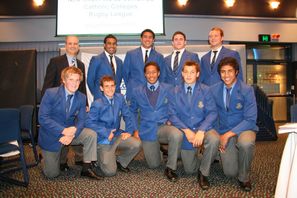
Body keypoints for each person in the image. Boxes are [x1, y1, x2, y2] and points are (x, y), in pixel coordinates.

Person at [38, 67, 102, 180]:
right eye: (71, 79)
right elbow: (43, 118)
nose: (74, 83)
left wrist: (72, 133)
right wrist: (63, 131)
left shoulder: (81, 97)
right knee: (52, 174)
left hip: (70, 133)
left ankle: (87, 168)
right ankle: (44, 158)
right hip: (52, 135)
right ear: (63, 80)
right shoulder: (51, 93)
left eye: (77, 80)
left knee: (91, 134)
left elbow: (82, 120)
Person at [129, 62, 183, 182]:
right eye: (148, 72)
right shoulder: (137, 90)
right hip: (147, 129)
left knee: (176, 134)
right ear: (145, 74)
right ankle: (160, 150)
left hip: (164, 125)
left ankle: (170, 168)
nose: (151, 75)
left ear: (158, 73)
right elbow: (132, 111)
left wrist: (171, 120)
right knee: (154, 165)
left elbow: (175, 107)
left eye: (154, 72)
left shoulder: (169, 88)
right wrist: (135, 130)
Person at [168, 61, 218, 190]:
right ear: (182, 74)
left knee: (214, 139)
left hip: (203, 128)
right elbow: (172, 115)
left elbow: (212, 112)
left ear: (197, 74)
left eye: (192, 72)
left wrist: (201, 130)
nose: (189, 75)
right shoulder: (174, 91)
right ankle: (200, 156)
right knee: (190, 170)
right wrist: (186, 130)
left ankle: (203, 173)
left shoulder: (206, 90)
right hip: (186, 133)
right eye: (186, 72)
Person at [210, 57, 258, 192]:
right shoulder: (214, 90)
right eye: (223, 72)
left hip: (244, 128)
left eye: (230, 71)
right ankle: (233, 157)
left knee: (246, 143)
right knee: (230, 173)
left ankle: (244, 177)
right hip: (224, 129)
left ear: (236, 72)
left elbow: (250, 119)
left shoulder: (246, 90)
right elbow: (211, 114)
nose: (226, 75)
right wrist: (217, 134)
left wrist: (227, 136)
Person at [41, 35, 86, 170]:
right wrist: (47, 103)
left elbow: (81, 87)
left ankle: (78, 159)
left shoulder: (81, 64)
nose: (73, 46)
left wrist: (86, 104)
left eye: (75, 44)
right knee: (62, 130)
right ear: (65, 45)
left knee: (77, 127)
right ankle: (58, 160)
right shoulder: (55, 61)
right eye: (70, 43)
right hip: (57, 108)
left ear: (78, 47)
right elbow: (48, 84)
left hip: (74, 104)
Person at [85, 75, 141, 177]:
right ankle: (98, 157)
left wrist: (129, 131)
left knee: (136, 144)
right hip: (103, 139)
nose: (110, 89)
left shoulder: (119, 98)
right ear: (101, 88)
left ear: (115, 86)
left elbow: (127, 115)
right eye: (106, 86)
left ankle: (120, 161)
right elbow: (89, 122)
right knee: (110, 172)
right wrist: (106, 132)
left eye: (112, 86)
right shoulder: (97, 103)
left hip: (116, 136)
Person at [123, 29, 165, 101]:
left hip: (152, 93)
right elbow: (125, 74)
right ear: (141, 39)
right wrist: (132, 86)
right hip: (133, 93)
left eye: (150, 37)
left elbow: (162, 76)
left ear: (153, 40)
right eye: (145, 37)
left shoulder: (159, 56)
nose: (147, 39)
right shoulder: (130, 54)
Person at [87, 34, 123, 100]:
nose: (112, 46)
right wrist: (97, 93)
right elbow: (90, 80)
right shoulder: (96, 59)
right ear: (104, 45)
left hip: (116, 99)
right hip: (100, 98)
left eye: (114, 44)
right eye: (109, 43)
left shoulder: (119, 62)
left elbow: (118, 81)